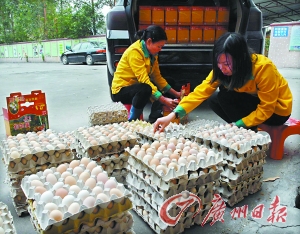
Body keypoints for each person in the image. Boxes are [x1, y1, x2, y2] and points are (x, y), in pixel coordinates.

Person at [154, 32, 293, 132]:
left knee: (227, 96)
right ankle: (245, 129)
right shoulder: (220, 70)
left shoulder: (263, 68)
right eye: (218, 63)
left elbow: (267, 108)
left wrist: (239, 124)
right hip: (253, 101)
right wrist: (174, 115)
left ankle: (245, 130)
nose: (222, 68)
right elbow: (201, 92)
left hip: (276, 111)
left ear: (241, 59)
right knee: (218, 98)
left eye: (226, 63)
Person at [111, 25, 181, 122]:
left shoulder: (153, 54)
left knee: (168, 81)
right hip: (122, 90)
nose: (160, 49)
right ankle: (132, 120)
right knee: (145, 89)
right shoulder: (135, 52)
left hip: (136, 86)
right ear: (148, 41)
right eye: (159, 46)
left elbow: (157, 77)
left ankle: (155, 116)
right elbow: (144, 80)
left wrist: (177, 94)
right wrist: (164, 100)